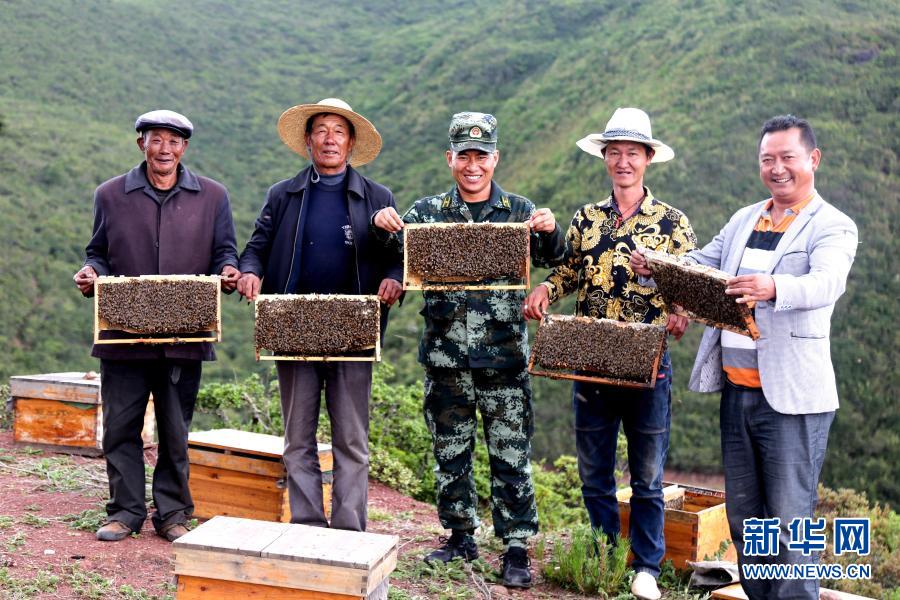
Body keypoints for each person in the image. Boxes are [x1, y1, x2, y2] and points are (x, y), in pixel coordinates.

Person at [633, 115, 857, 599]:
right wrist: (657, 268)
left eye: (787, 158)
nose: (777, 168)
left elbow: (826, 283)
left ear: (813, 159)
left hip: (793, 400)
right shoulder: (745, 218)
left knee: (790, 520)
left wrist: (773, 286)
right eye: (767, 159)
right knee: (747, 519)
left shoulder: (833, 225)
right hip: (737, 392)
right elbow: (702, 262)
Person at [373, 112, 565, 588]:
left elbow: (553, 257)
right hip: (446, 359)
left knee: (511, 454)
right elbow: (392, 251)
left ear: (495, 159)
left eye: (482, 156)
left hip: (504, 358)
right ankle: (460, 536)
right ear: (450, 159)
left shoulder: (520, 211)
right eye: (464, 156)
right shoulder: (426, 213)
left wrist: (549, 229)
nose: (473, 165)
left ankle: (516, 547)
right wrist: (380, 224)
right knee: (451, 451)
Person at [525, 107, 696, 600]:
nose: (623, 161)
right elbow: (570, 271)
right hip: (592, 360)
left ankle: (647, 567)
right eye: (615, 152)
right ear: (605, 158)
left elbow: (688, 282)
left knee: (647, 475)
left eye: (632, 153)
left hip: (647, 362)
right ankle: (606, 556)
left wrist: (680, 309)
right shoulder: (587, 218)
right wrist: (546, 289)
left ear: (648, 159)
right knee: (595, 473)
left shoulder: (673, 223)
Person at [73, 110, 240, 542]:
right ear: (141, 143)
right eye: (156, 140)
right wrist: (91, 273)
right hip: (122, 336)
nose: (164, 149)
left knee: (175, 430)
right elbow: (98, 253)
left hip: (185, 337)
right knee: (120, 428)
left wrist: (228, 271)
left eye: (173, 141)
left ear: (184, 147)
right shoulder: (110, 194)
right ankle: (125, 512)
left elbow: (226, 251)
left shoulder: (213, 196)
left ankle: (172, 514)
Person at [237, 98, 402, 533]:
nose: (330, 139)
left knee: (351, 440)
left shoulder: (378, 197)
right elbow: (256, 247)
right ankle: (307, 525)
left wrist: (393, 278)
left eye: (339, 131)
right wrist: (250, 271)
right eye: (322, 131)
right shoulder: (283, 194)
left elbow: (398, 256)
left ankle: (348, 530)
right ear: (308, 141)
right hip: (292, 327)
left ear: (351, 143)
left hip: (355, 331)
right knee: (297, 439)